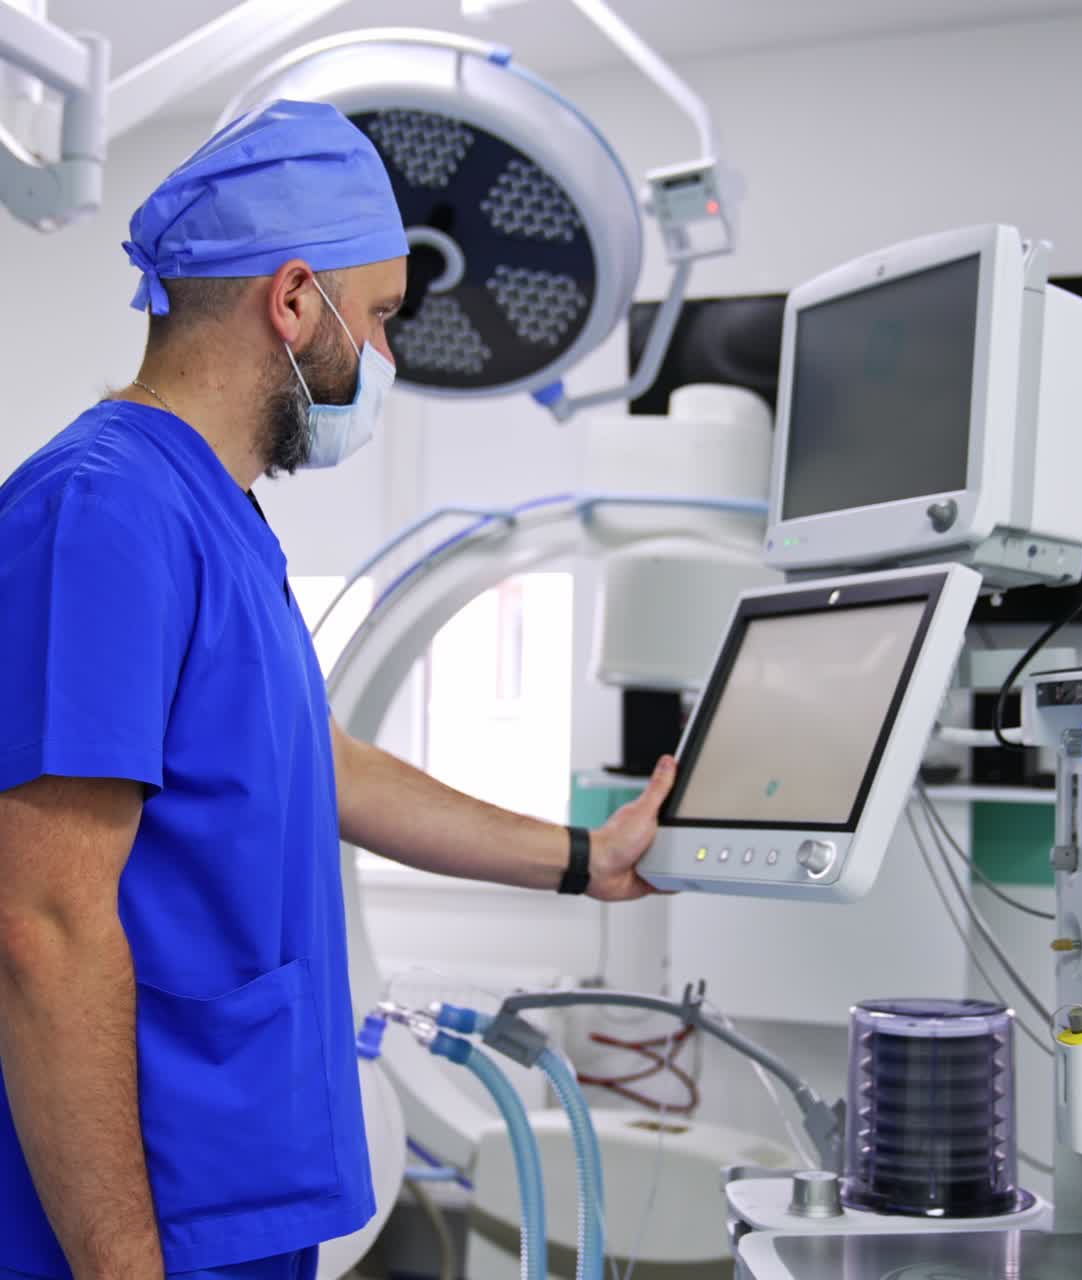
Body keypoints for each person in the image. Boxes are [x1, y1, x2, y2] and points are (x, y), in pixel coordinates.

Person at [0, 99, 675, 1280]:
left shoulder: (223, 516)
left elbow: (323, 760)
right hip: (144, 1218)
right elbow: (42, 925)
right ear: (294, 299)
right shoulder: (101, 511)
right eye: (380, 318)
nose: (390, 359)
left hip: (241, 1186)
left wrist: (583, 857)